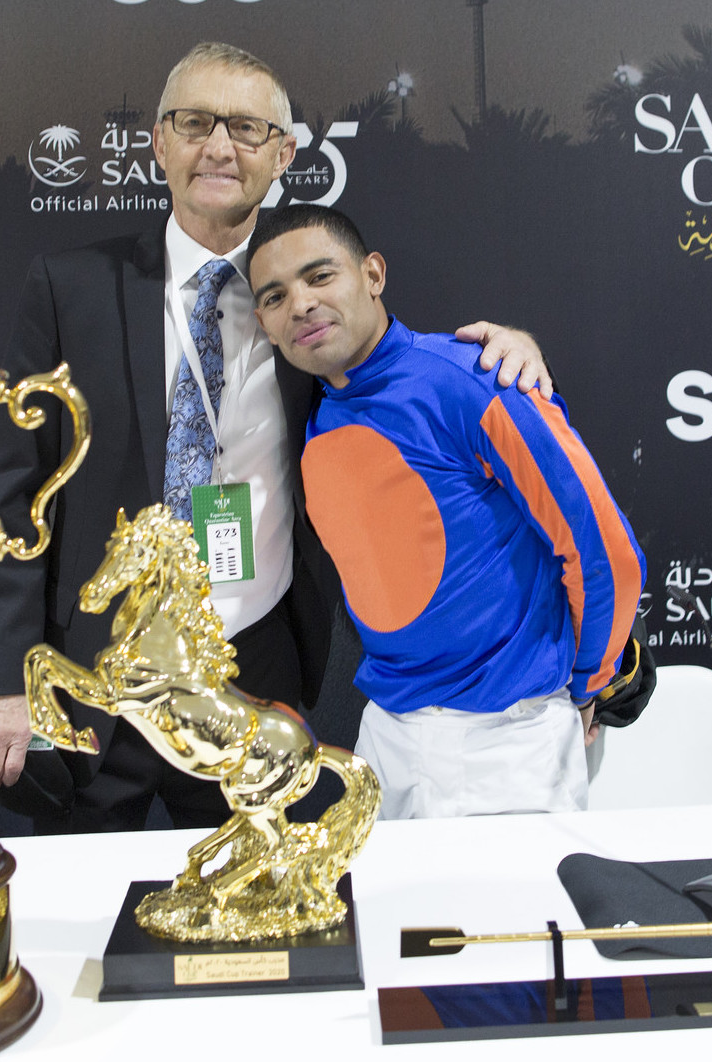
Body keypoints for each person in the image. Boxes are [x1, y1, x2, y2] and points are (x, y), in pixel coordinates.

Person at [0, 42, 553, 832]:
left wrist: (506, 350)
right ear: (159, 142)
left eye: (244, 127)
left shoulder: (310, 292)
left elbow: (404, 367)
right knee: (87, 934)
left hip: (254, 671)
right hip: (96, 676)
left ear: (283, 154)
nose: (218, 147)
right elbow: (9, 489)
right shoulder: (71, 288)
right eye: (194, 122)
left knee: (261, 929)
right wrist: (1, 677)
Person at [247, 203, 646, 818]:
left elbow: (605, 555)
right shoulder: (313, 413)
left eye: (320, 276)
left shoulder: (479, 379)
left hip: (510, 743)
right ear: (265, 324)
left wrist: (591, 684)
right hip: (384, 738)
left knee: (516, 918)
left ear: (373, 275)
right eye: (275, 297)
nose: (299, 303)